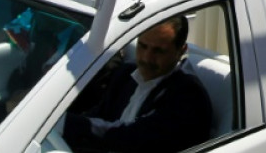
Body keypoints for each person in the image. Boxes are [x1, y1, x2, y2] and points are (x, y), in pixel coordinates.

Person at [63, 16, 212, 153]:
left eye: (158, 51)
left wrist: (65, 124)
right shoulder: (125, 75)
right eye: (143, 46)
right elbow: (97, 116)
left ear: (181, 51)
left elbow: (133, 137)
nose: (147, 58)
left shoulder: (188, 96)